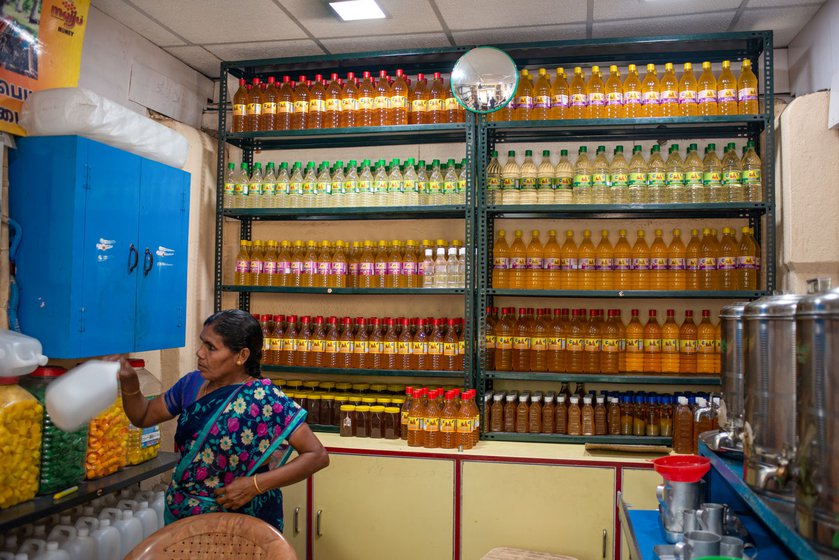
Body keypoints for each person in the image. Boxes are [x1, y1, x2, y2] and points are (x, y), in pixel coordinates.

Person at [116, 309, 329, 531]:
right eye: (202, 344)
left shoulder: (263, 398)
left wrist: (254, 485)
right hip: (186, 516)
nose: (199, 353)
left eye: (211, 347)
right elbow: (143, 416)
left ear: (241, 356)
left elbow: (317, 456)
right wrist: (131, 384)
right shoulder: (191, 384)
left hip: (244, 520)